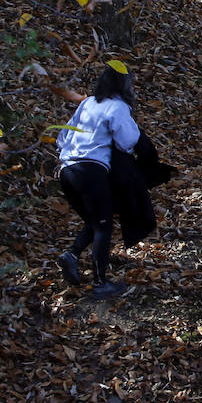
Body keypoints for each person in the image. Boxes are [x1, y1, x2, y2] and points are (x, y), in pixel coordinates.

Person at [56, 65, 141, 299]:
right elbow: (128, 141)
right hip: (91, 171)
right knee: (104, 225)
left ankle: (71, 255)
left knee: (96, 220)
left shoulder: (88, 102)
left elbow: (62, 136)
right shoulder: (118, 107)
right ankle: (100, 283)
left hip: (67, 170)